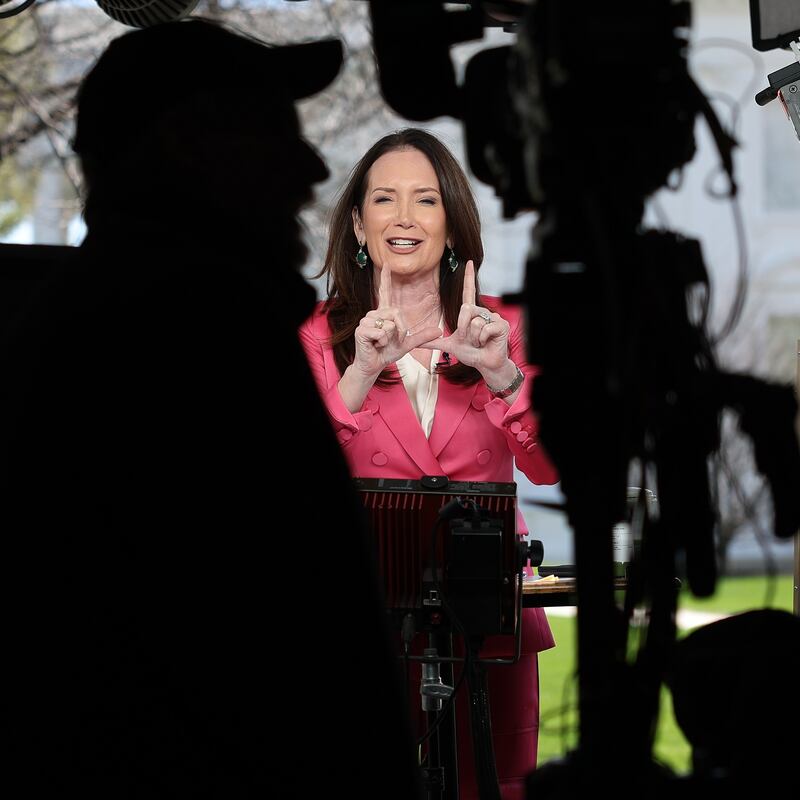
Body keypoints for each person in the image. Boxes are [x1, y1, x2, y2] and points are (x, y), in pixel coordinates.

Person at [0, 21, 420, 798]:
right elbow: (293, 649)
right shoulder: (191, 332)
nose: (312, 164)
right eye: (271, 132)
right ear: (187, 146)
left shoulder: (117, 316)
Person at [299, 128, 559, 800]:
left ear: (453, 223)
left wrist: (503, 372)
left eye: (426, 200)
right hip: (361, 617)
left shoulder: (507, 326)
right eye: (385, 199)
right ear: (358, 222)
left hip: (487, 622)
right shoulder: (314, 335)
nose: (406, 217)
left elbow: (554, 467)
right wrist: (359, 371)